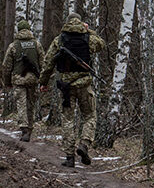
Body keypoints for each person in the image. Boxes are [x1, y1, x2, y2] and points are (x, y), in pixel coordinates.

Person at [38, 12, 105, 168]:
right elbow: (101, 44)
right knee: (89, 115)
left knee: (68, 120)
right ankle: (84, 144)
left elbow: (48, 62)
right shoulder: (88, 38)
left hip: (66, 86)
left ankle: (69, 157)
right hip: (84, 84)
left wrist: (43, 81)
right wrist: (88, 31)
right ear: (81, 23)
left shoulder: (59, 40)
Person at [1, 20, 44, 142]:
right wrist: (43, 80)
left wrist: (7, 82)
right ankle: (30, 128)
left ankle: (24, 128)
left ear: (18, 30)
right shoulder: (36, 44)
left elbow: (6, 66)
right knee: (31, 105)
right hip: (33, 80)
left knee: (21, 104)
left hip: (18, 79)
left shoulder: (13, 46)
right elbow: (43, 63)